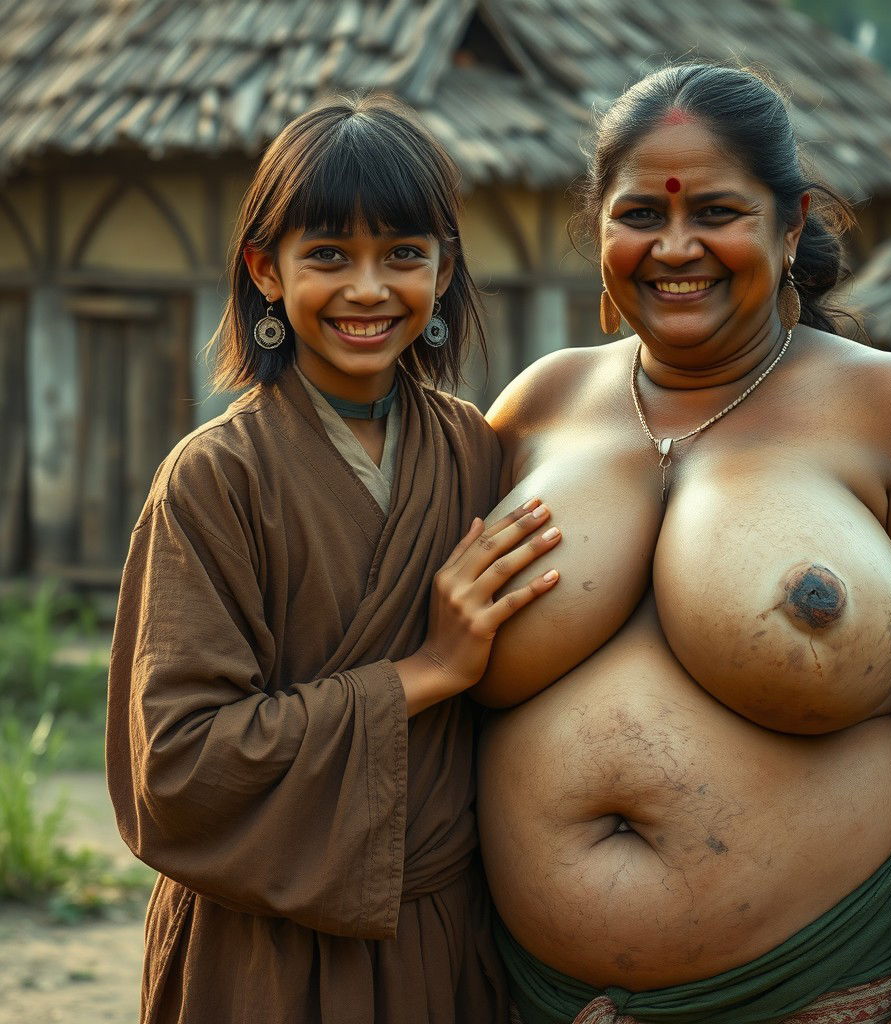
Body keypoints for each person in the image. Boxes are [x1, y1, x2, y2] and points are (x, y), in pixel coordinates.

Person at [471, 63, 891, 1024]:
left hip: (827, 989)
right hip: (532, 998)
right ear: (600, 228)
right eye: (640, 214)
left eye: (717, 211)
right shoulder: (536, 409)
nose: (675, 245)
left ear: (791, 222)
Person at [105, 94, 563, 1023]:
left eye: (403, 255)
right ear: (265, 270)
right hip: (259, 947)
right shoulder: (214, 480)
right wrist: (425, 673)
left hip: (440, 936)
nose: (368, 289)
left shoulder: (476, 452)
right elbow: (180, 767)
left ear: (443, 269)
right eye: (328, 255)